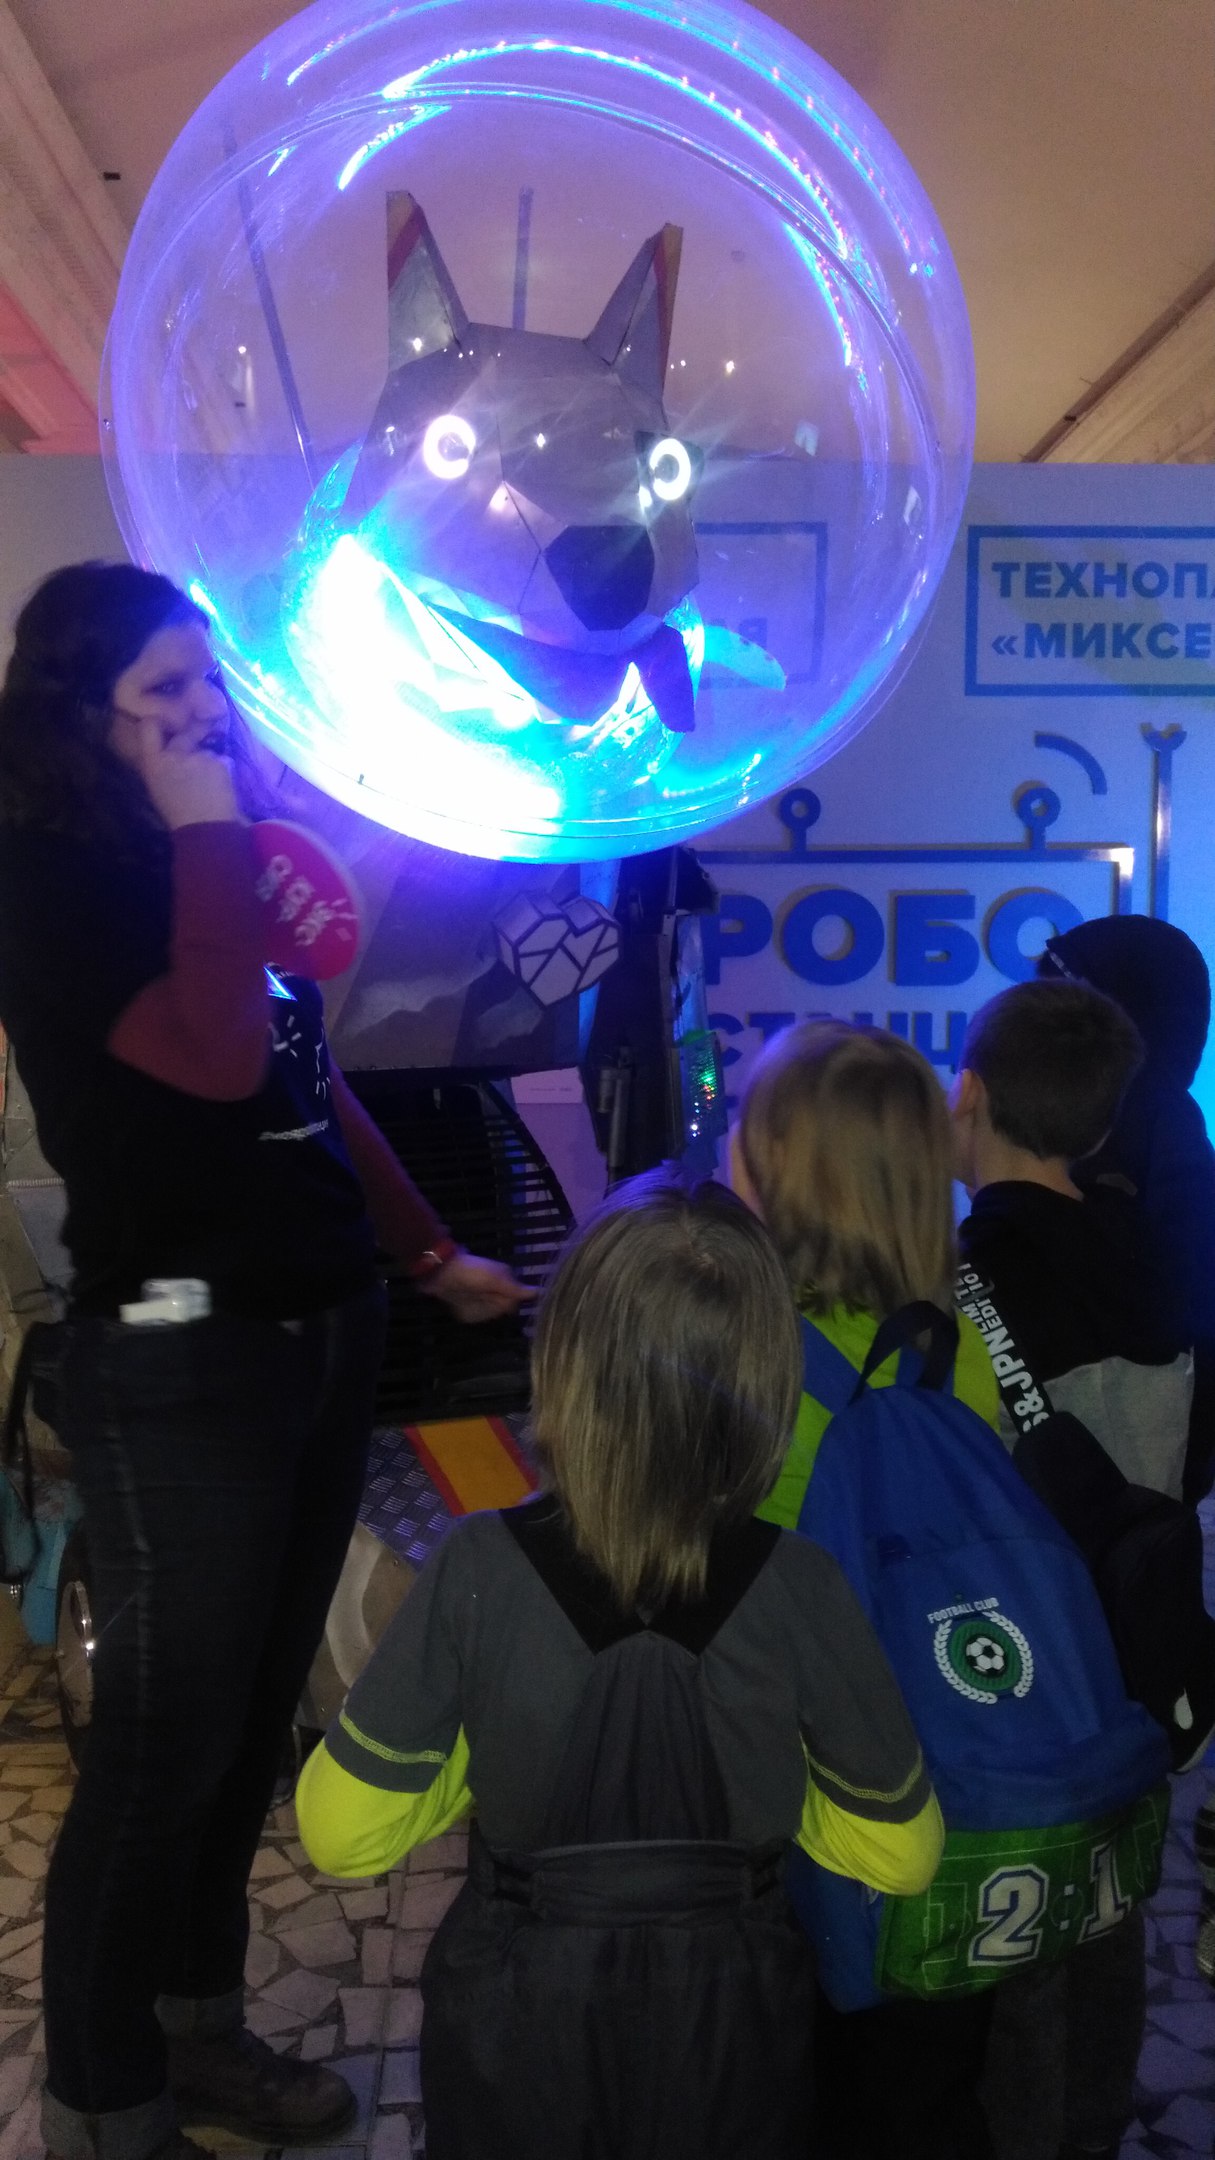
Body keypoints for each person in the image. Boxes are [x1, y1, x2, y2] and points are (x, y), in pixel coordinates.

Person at [0, 561, 531, 2160]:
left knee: (243, 1739)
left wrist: (424, 1254)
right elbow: (218, 1052)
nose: (202, 716)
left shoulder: (206, 859)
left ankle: (197, 2031)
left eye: (207, 684)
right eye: (162, 692)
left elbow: (300, 1068)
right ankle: (104, 2110)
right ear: (78, 712)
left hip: (319, 1331)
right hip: (181, 1357)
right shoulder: (49, 877)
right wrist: (204, 823)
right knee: (159, 1759)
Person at [296, 1172, 944, 2160]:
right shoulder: (802, 1583)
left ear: (561, 1362)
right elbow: (903, 1852)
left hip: (524, 2037)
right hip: (729, 2038)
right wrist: (774, 1784)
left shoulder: (478, 1568)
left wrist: (473, 1757)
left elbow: (341, 1835)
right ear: (767, 1382)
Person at [730, 1019, 1001, 2160]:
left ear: (780, 1171)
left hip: (795, 1786)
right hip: (944, 1758)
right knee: (921, 2080)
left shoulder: (750, 1356)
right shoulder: (962, 1344)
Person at [950, 978, 1193, 2160]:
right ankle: (1093, 2122)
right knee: (1111, 1900)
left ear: (969, 1095)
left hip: (1027, 1662)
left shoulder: (971, 1275)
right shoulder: (1152, 1247)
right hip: (1140, 1637)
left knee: (1022, 1944)